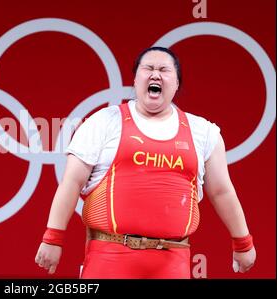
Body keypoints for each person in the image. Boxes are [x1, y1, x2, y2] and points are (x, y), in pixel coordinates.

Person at [34, 47, 256, 278]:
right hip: (110, 258)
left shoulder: (204, 132)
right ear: (136, 79)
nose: (155, 74)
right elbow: (71, 182)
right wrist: (53, 237)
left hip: (173, 261)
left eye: (164, 70)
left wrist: (243, 241)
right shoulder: (103, 122)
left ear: (177, 83)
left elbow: (221, 191)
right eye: (148, 68)